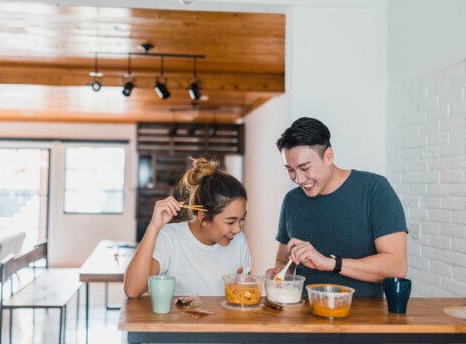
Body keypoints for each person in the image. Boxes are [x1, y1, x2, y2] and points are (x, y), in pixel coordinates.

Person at [267, 117, 408, 297]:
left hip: (363, 320)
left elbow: (396, 267)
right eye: (290, 170)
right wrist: (279, 273)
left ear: (329, 156)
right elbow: (283, 260)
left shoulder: (374, 189)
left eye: (305, 168)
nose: (299, 179)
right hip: (304, 319)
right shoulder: (292, 201)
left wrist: (330, 263)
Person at [124, 157, 251, 298]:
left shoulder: (238, 241)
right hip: (180, 320)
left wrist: (244, 287)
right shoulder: (170, 238)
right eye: (230, 222)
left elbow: (244, 295)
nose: (237, 230)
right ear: (204, 217)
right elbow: (132, 290)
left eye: (242, 219)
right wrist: (154, 227)